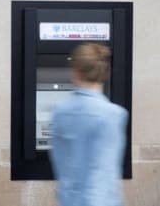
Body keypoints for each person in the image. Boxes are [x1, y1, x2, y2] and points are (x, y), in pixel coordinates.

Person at [50, 43, 128, 206]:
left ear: (76, 72)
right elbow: (102, 172)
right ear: (105, 74)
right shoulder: (113, 115)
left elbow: (60, 164)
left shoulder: (59, 112)